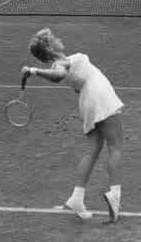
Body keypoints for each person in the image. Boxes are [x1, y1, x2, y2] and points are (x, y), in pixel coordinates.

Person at [21, 28, 124, 222]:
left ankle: (77, 197)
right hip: (100, 95)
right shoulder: (60, 64)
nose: (58, 39)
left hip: (88, 100)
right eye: (53, 39)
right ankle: (115, 195)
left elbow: (73, 82)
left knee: (93, 149)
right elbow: (59, 74)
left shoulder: (62, 63)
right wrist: (33, 71)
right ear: (49, 48)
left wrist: (35, 72)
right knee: (116, 146)